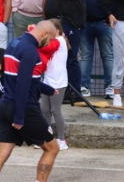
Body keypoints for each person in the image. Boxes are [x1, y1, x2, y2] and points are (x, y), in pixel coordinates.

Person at [0, 20, 59, 182]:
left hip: (6, 105)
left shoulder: (14, 43)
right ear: (44, 34)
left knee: (1, 155)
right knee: (52, 148)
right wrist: (19, 117)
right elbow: (22, 85)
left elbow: (21, 78)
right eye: (51, 39)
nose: (50, 43)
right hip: (25, 109)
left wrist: (47, 89)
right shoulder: (30, 51)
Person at [79, 0, 118, 99]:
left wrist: (111, 17)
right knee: (85, 56)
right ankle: (84, 87)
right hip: (84, 23)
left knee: (108, 55)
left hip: (104, 23)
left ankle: (110, 86)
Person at [43, 0, 87, 93]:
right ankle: (54, 89)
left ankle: (73, 92)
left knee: (69, 57)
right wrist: (44, 14)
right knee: (52, 57)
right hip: (51, 22)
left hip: (70, 22)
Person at [40, 19, 70, 151]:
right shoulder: (50, 41)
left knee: (56, 110)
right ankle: (48, 137)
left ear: (56, 31)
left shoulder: (60, 41)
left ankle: (62, 139)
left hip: (59, 82)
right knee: (44, 109)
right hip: (47, 80)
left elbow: (45, 48)